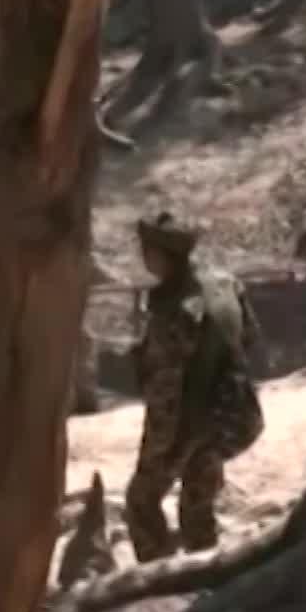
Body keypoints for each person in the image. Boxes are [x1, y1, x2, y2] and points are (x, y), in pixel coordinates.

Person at [125, 212, 266, 562]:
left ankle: (156, 579)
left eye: (147, 249)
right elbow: (249, 338)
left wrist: (159, 449)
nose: (143, 256)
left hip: (190, 422)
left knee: (141, 502)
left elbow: (165, 390)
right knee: (197, 506)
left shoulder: (176, 310)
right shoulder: (226, 284)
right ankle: (205, 573)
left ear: (162, 254)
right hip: (231, 414)